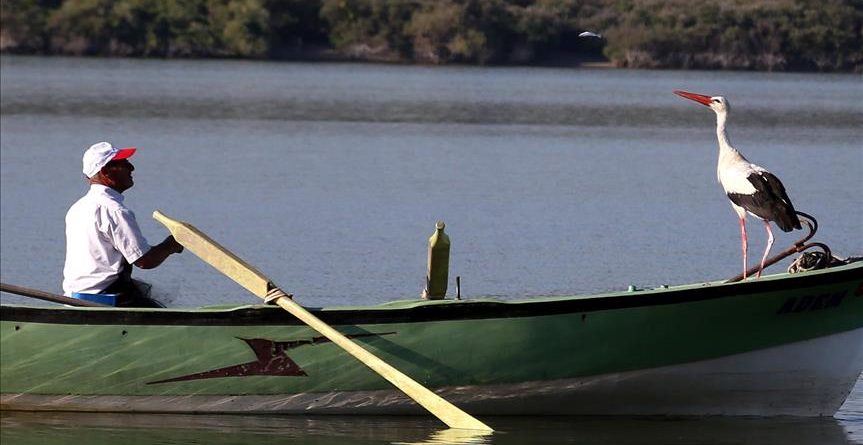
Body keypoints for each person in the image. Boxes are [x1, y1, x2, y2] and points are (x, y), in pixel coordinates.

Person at [62, 142, 183, 307]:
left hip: (72, 297)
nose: (131, 167)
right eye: (123, 164)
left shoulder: (78, 207)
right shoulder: (115, 210)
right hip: (105, 299)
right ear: (105, 172)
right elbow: (145, 261)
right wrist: (171, 244)